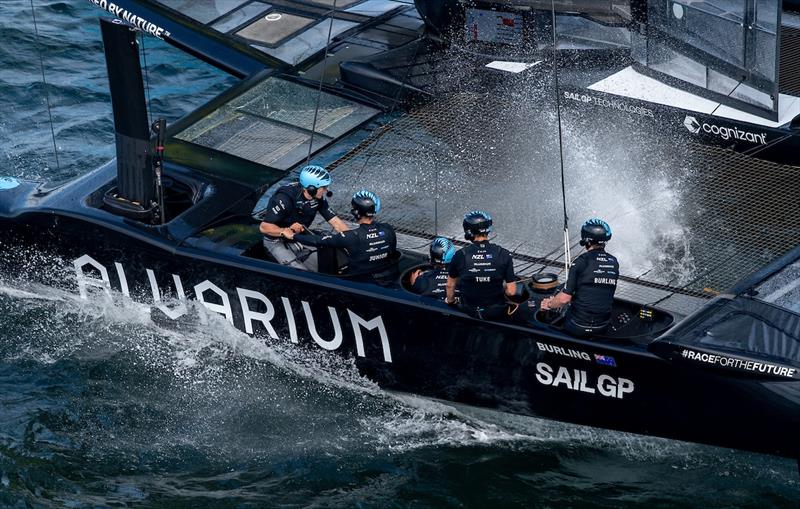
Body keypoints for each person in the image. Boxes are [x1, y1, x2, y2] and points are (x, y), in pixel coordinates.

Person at [540, 218, 619, 338]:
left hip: (578, 326)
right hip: (602, 327)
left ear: (586, 240)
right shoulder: (614, 262)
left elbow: (564, 300)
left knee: (558, 307)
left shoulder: (580, 262)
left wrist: (549, 304)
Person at [259, 165, 348, 270]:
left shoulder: (317, 198)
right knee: (300, 272)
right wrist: (284, 231)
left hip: (299, 236)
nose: (326, 190)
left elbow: (336, 222)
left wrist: (355, 241)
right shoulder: (284, 198)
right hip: (276, 241)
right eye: (323, 187)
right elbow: (264, 227)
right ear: (311, 188)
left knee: (333, 248)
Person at [292, 190, 397, 277]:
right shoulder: (388, 229)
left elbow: (318, 241)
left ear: (355, 213)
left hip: (357, 282)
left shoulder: (350, 237)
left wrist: (294, 236)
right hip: (385, 277)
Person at [445, 211, 519, 320]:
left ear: (468, 231)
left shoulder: (460, 255)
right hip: (495, 311)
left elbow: (450, 286)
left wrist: (451, 301)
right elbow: (512, 292)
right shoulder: (503, 254)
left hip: (468, 310)